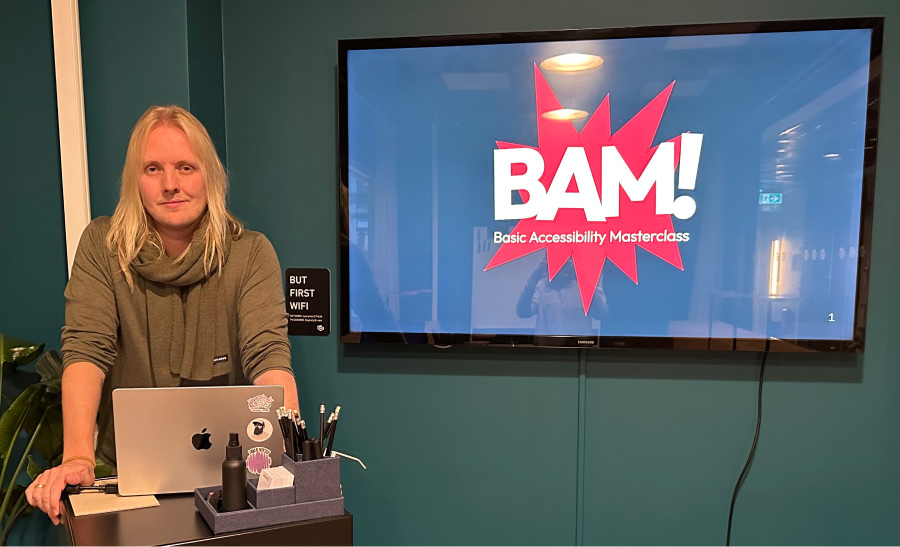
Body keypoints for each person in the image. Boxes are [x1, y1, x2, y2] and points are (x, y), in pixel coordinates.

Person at [25, 105, 299, 525]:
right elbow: (86, 350)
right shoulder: (103, 245)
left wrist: (289, 455)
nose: (170, 185)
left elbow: (268, 356)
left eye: (186, 167)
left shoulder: (250, 252)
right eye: (153, 169)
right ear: (135, 179)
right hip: (125, 478)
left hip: (229, 478)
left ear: (210, 174)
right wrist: (78, 456)